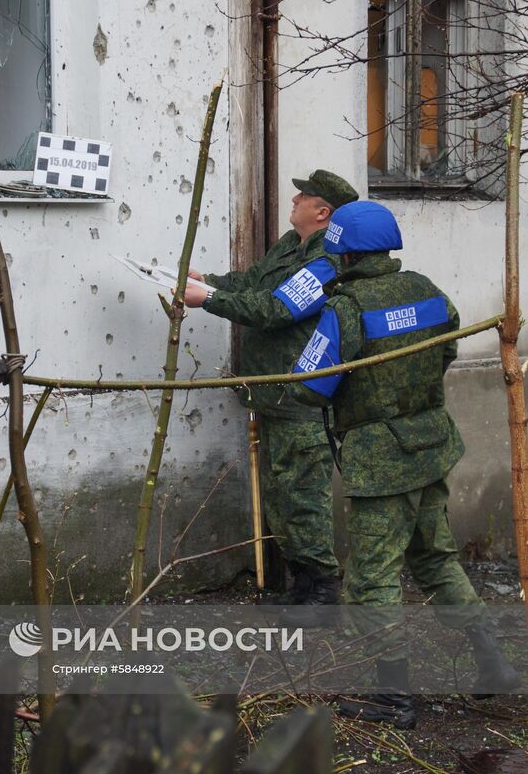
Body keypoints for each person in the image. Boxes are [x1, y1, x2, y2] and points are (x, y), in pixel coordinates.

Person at [292, 200, 520, 728]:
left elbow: (309, 386)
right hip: (431, 448)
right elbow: (447, 352)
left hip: (381, 464)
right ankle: (493, 662)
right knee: (435, 558)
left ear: (344, 254)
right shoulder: (427, 290)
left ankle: (392, 698)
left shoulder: (345, 309)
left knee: (371, 579)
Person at [184, 170, 358, 606]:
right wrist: (208, 282)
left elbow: (279, 309)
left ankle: (323, 590)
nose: (294, 199)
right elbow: (253, 283)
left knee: (304, 496)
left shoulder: (329, 259)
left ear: (323, 212)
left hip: (301, 399)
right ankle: (303, 584)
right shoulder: (290, 244)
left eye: (304, 196)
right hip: (274, 394)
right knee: (281, 495)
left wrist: (208, 300)